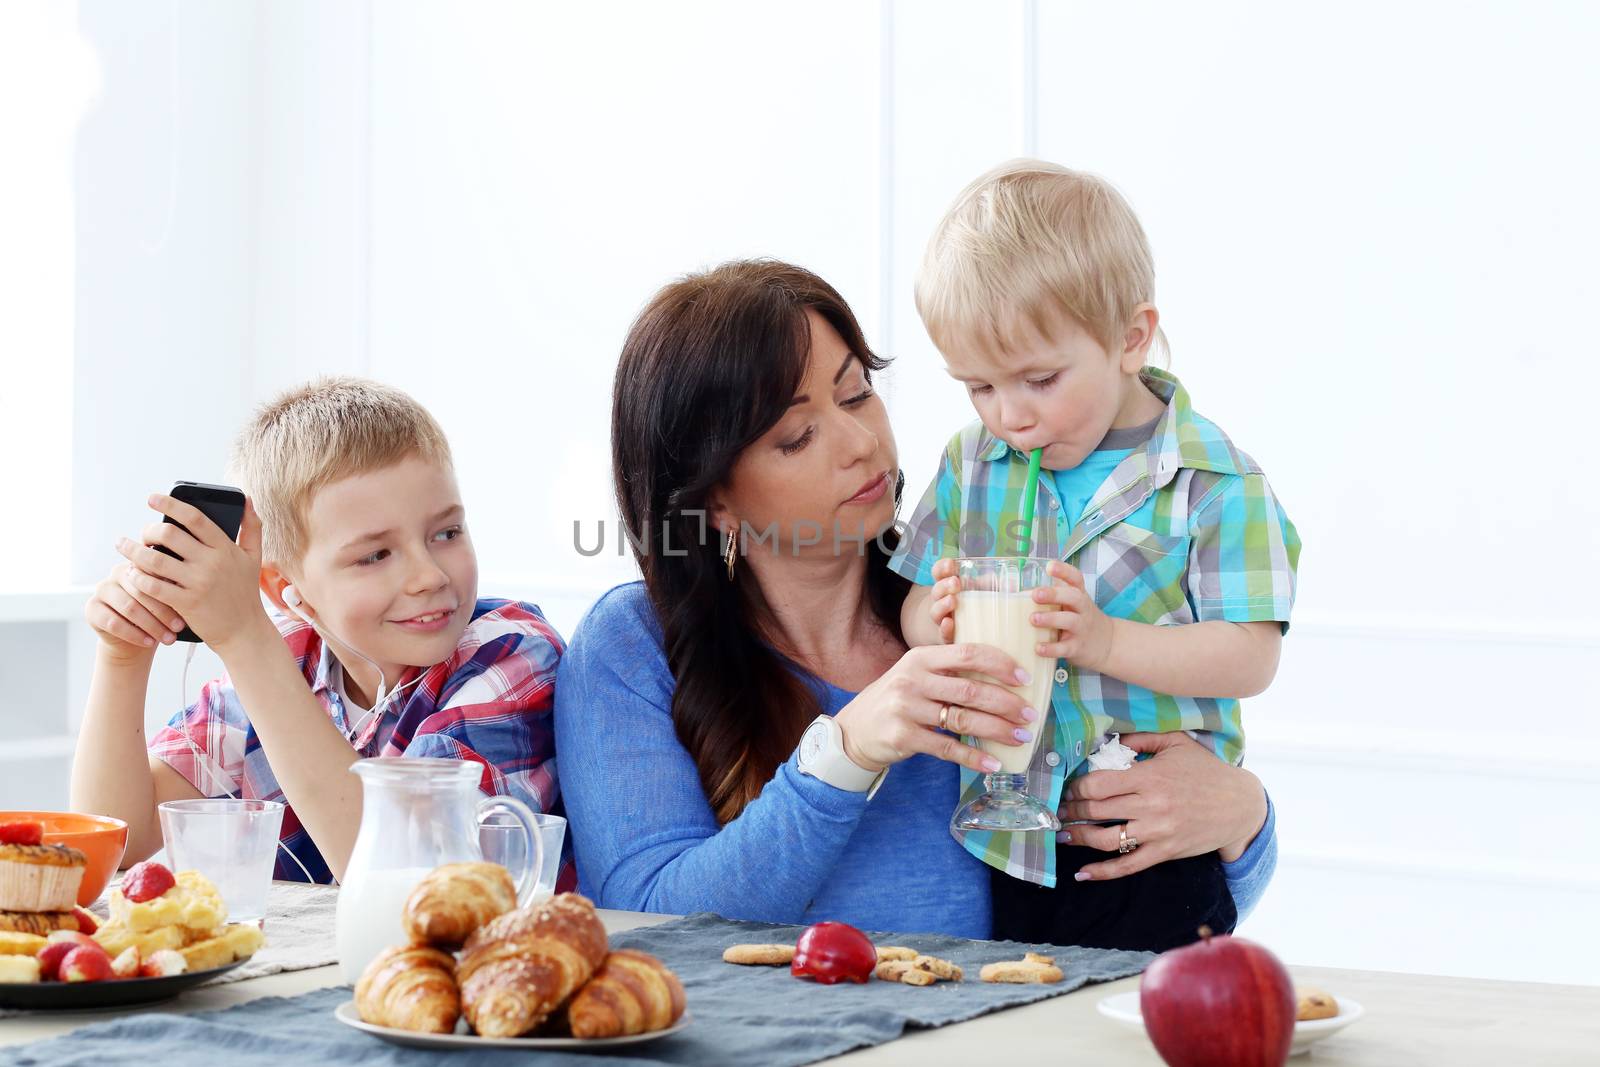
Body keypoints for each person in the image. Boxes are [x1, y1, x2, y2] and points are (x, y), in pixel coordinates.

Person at [555, 259, 1277, 939]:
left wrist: (1241, 818)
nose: (860, 442)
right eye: (798, 435)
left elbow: (1132, 920)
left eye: (856, 392)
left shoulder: (969, 607)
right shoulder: (630, 645)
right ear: (715, 502)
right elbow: (645, 927)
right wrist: (848, 749)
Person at [894, 160, 1300, 950]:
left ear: (1129, 337)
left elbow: (1251, 657)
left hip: (1151, 840)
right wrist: (933, 617)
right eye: (977, 386)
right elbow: (912, 604)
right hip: (1006, 840)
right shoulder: (971, 465)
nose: (1008, 413)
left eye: (1038, 378)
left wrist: (1106, 639)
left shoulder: (1216, 483)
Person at [71, 377, 571, 886]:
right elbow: (122, 836)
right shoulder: (285, 660)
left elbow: (417, 884)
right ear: (286, 587)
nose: (430, 576)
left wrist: (246, 638)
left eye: (446, 533)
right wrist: (122, 657)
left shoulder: (511, 654)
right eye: (375, 555)